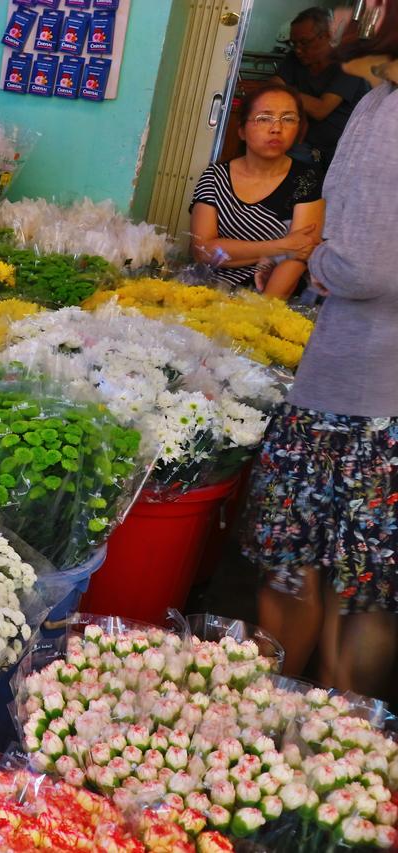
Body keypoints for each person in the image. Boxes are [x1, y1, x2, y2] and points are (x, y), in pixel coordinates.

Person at [243, 0, 398, 698]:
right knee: (362, 584)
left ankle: (285, 735)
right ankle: (343, 750)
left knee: (298, 565)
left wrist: (316, 261)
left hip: (357, 390)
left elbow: (364, 265)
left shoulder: (387, 113)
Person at [189, 85, 325, 298]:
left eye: (288, 119)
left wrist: (260, 313)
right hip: (207, 293)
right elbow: (203, 250)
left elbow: (299, 256)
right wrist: (281, 246)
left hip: (271, 300)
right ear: (242, 129)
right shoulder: (215, 177)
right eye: (264, 118)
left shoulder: (306, 179)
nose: (276, 128)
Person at [270, 7, 371, 166]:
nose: (298, 49)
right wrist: (301, 111)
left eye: (304, 42)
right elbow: (272, 87)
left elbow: (320, 110)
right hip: (304, 143)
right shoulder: (294, 58)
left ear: (325, 36)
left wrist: (289, 95)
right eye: (293, 43)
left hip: (340, 152)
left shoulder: (348, 65)